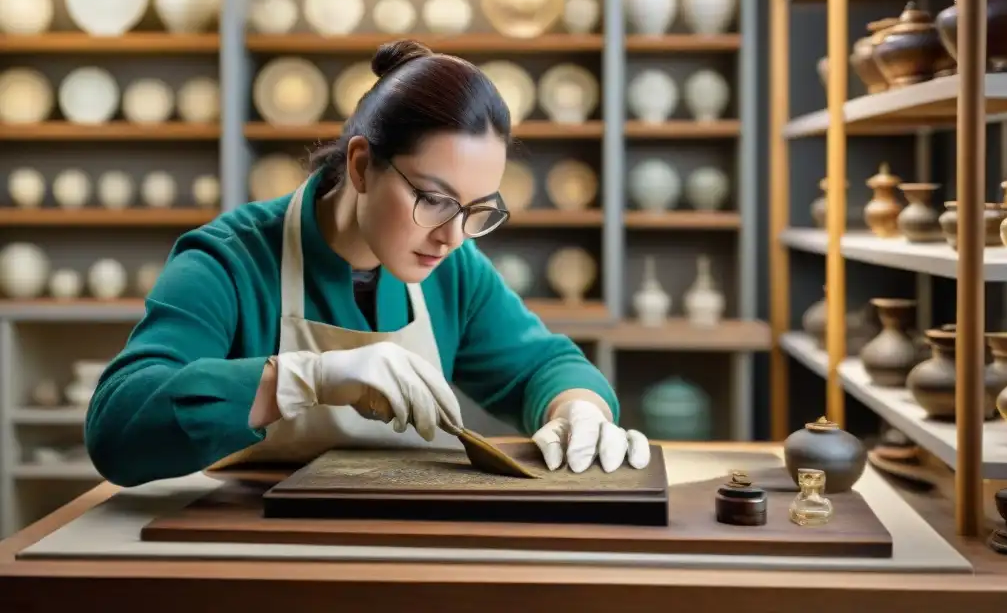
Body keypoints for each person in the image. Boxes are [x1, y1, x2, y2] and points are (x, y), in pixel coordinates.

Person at [84, 39, 650, 488]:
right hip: (252, 555)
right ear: (361, 166)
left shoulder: (453, 268)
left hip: (406, 552)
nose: (453, 235)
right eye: (433, 199)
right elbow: (117, 431)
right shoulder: (230, 259)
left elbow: (541, 365)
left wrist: (580, 409)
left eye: (475, 210)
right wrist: (305, 377)